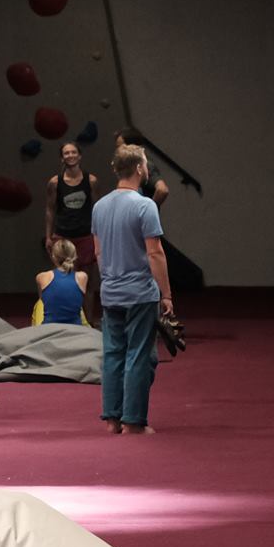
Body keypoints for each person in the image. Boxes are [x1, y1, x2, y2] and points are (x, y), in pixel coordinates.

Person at [92, 143, 173, 435]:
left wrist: (110, 279)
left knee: (113, 353)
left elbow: (98, 252)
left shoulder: (99, 206)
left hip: (110, 291)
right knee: (140, 354)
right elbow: (155, 253)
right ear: (140, 168)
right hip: (139, 291)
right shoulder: (145, 205)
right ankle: (134, 421)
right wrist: (166, 294)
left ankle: (112, 418)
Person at [43, 142, 102, 320]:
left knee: (88, 282)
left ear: (80, 155)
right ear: (62, 157)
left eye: (73, 152)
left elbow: (98, 208)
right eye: (66, 153)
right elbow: (50, 209)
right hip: (63, 236)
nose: (70, 155)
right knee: (63, 280)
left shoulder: (91, 181)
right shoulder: (55, 183)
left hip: (85, 236)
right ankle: (65, 320)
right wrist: (48, 236)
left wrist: (98, 236)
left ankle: (89, 322)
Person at [33, 237, 89, 327]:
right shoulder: (82, 277)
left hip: (49, 329)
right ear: (74, 256)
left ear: (53, 257)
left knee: (38, 306)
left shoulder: (42, 277)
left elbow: (42, 301)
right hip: (75, 330)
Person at [115, 129, 170, 207]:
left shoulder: (145, 166)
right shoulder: (128, 168)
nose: (117, 151)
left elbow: (162, 190)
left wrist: (148, 209)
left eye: (119, 147)